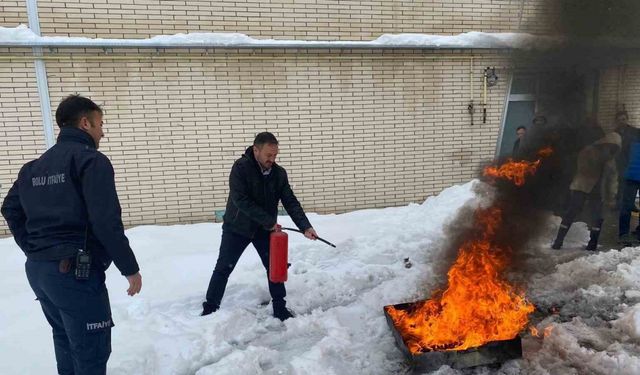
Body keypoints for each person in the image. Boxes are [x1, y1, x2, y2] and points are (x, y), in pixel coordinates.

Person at [1, 95, 142, 374]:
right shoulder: (91, 161)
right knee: (91, 350)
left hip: (40, 272)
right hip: (73, 273)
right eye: (100, 124)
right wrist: (130, 268)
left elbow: (10, 208)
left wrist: (35, 249)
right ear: (85, 122)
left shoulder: (32, 168)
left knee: (65, 339)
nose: (103, 131)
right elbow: (105, 221)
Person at [202, 132, 318, 321]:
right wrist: (269, 221)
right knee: (223, 267)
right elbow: (241, 200)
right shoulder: (241, 168)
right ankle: (210, 308)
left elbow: (290, 201)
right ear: (256, 150)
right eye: (268, 155)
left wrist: (305, 226)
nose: (272, 160)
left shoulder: (278, 173)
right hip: (237, 229)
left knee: (275, 268)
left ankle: (280, 309)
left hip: (264, 230)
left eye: (275, 156)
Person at [551, 132, 621, 250]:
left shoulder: (611, 161)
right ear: (604, 144)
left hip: (599, 191)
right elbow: (583, 169)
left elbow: (613, 179)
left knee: (598, 216)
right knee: (572, 212)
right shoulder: (589, 151)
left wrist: (611, 196)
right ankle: (559, 240)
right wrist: (600, 160)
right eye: (609, 146)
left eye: (613, 148)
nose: (610, 150)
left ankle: (592, 243)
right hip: (581, 187)